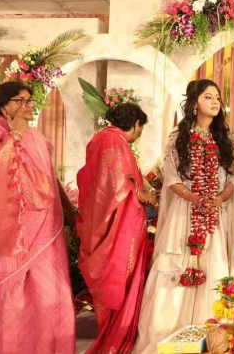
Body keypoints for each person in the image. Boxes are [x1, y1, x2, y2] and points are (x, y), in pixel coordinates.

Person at [134, 79, 234, 353]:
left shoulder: (227, 137)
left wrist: (220, 198)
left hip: (216, 213)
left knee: (215, 265)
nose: (215, 102)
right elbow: (171, 178)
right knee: (179, 267)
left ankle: (214, 339)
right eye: (208, 97)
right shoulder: (178, 137)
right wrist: (195, 198)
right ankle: (171, 334)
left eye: (217, 97)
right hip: (185, 213)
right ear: (194, 103)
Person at [0, 81, 76, 354]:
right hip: (13, 228)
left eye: (29, 100)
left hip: (47, 225)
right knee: (13, 293)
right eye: (20, 100)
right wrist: (14, 135)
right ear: (3, 106)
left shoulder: (36, 136)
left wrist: (68, 209)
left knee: (51, 291)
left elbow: (50, 176)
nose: (28, 105)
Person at [77, 102, 154, 354]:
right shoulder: (115, 141)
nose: (139, 134)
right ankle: (116, 334)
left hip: (100, 219)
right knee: (120, 276)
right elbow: (118, 183)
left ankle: (110, 330)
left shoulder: (100, 139)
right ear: (136, 124)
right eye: (141, 128)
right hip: (121, 224)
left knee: (111, 276)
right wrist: (145, 196)